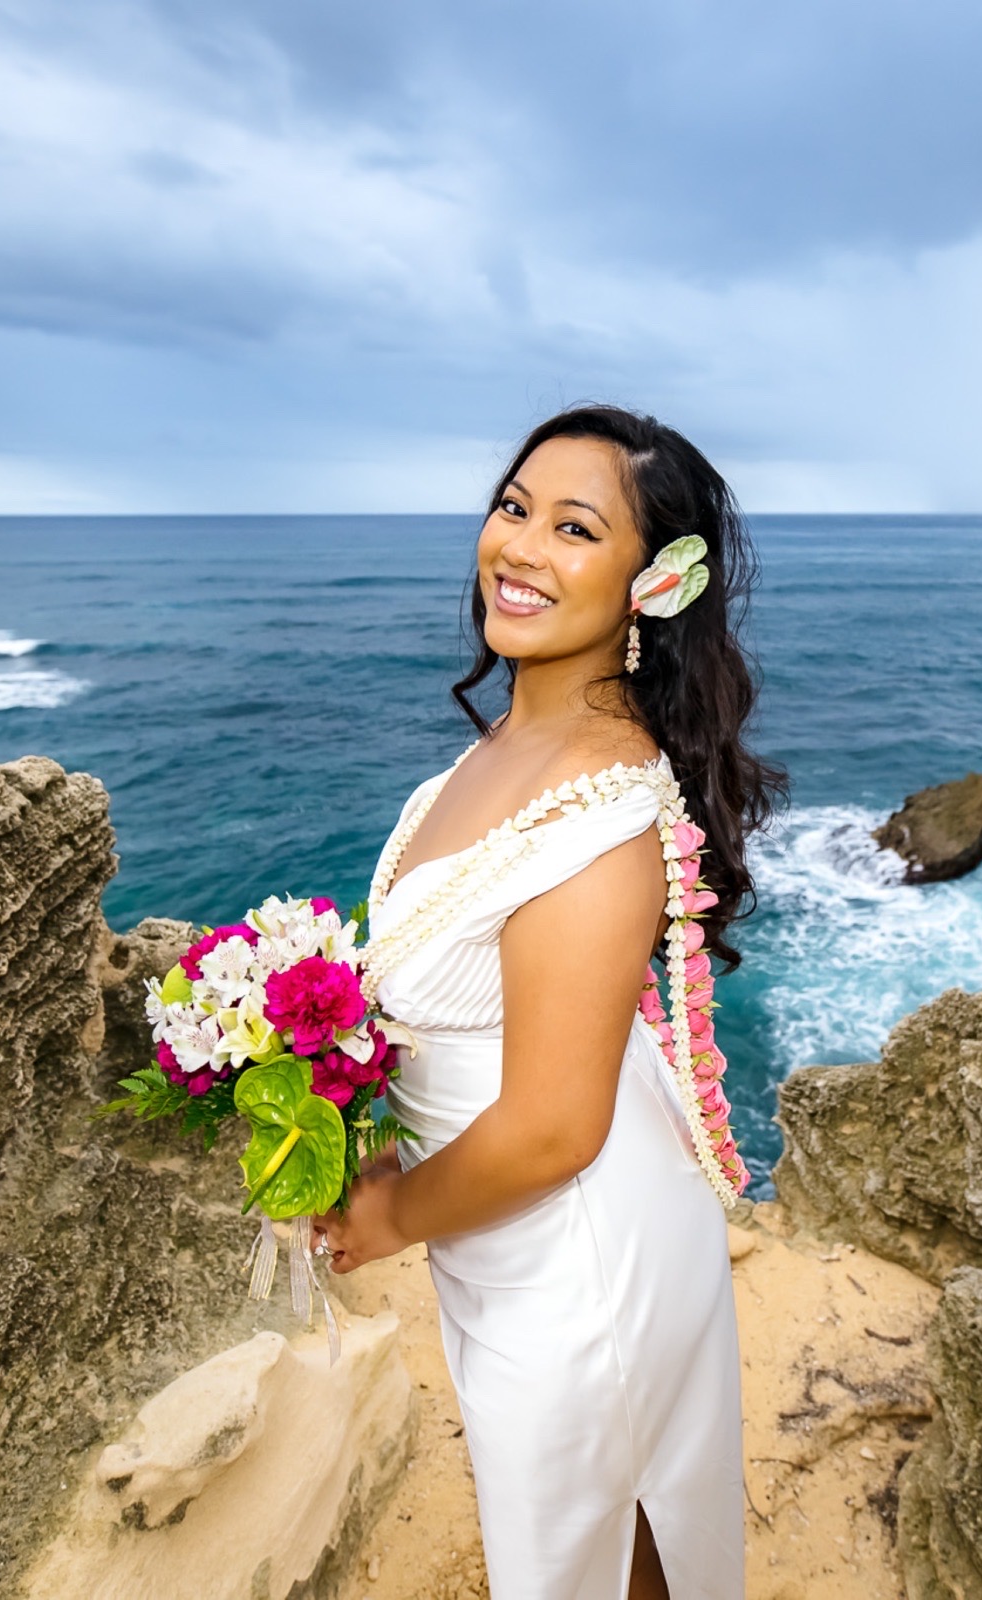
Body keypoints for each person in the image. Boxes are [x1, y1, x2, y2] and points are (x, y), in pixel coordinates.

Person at [315, 406, 784, 1598]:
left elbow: (552, 1127)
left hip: (578, 1263)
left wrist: (387, 1214)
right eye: (514, 506)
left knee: (588, 1545)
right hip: (509, 1234)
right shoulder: (480, 763)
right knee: (587, 1535)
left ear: (656, 583)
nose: (519, 547)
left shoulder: (598, 816)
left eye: (575, 527)